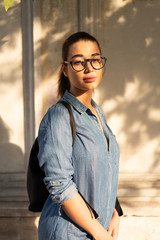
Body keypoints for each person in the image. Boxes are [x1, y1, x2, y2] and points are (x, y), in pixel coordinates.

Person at [38, 32, 122, 240]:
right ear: (65, 69)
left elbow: (101, 168)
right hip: (69, 232)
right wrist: (98, 233)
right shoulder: (59, 115)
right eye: (78, 62)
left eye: (95, 59)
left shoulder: (97, 113)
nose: (89, 68)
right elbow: (59, 184)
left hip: (94, 230)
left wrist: (114, 210)